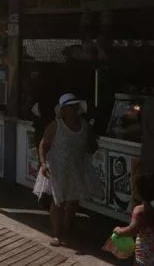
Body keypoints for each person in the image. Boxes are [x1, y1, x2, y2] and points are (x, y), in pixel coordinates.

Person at [39, 93, 93, 246]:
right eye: (70, 107)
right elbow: (43, 144)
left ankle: (66, 226)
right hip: (58, 168)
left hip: (76, 167)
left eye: (75, 106)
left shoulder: (84, 125)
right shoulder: (55, 125)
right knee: (58, 201)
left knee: (73, 200)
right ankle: (57, 234)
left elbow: (91, 143)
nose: (73, 109)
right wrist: (43, 164)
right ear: (63, 110)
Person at [112, 173, 154, 266]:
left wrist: (119, 231)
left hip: (145, 258)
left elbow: (132, 230)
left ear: (140, 193)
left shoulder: (140, 211)